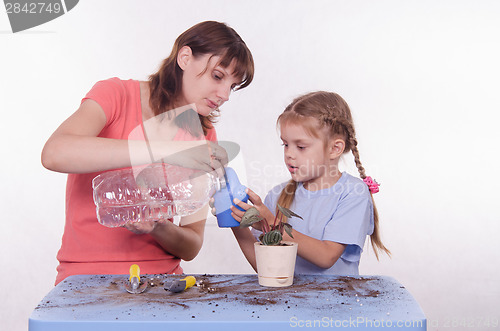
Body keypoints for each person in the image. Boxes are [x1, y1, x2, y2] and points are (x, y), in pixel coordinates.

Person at [41, 21, 254, 285]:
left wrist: (157, 227)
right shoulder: (117, 95)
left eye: (232, 86)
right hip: (86, 277)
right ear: (185, 58)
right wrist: (170, 152)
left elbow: (191, 245)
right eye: (218, 76)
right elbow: (54, 153)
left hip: (161, 281)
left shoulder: (202, 133)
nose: (225, 95)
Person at [227, 91, 390, 275]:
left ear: (335, 148)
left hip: (338, 302)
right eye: (285, 144)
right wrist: (234, 221)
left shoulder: (353, 193)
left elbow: (326, 256)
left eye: (301, 146)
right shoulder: (277, 196)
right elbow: (266, 267)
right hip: (290, 302)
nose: (289, 154)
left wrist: (273, 224)